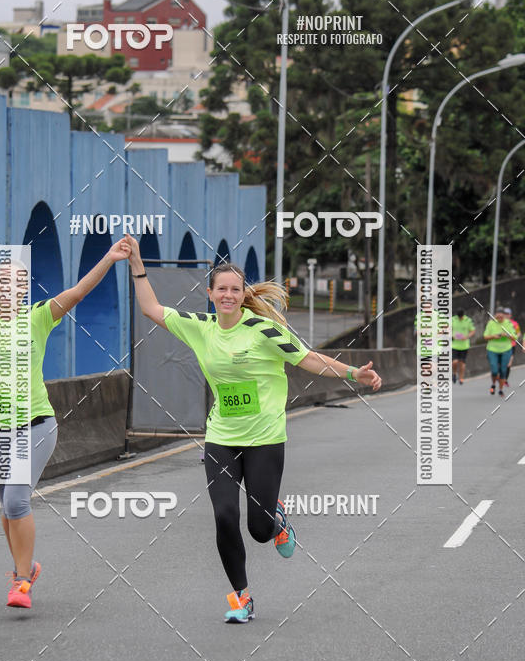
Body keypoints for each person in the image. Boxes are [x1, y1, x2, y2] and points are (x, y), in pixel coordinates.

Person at [122, 234, 382, 623]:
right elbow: (150, 308)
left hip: (265, 439)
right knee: (224, 515)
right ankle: (242, 598)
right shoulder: (200, 327)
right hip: (221, 439)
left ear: (243, 295)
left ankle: (275, 518)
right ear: (210, 294)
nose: (228, 295)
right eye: (221, 289)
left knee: (258, 529)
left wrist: (352, 373)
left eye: (235, 289)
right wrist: (137, 264)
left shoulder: (264, 330)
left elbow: (308, 359)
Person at [0, 239, 128, 609]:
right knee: (7, 507)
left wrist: (110, 258)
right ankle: (27, 566)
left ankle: (21, 582)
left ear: (25, 289)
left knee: (17, 501)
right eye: (3, 281)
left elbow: (79, 291)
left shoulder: (39, 317)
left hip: (33, 425)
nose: (10, 287)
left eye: (18, 281)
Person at [483, 306, 517, 397]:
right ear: (495, 315)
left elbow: (515, 337)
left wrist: (507, 335)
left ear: (504, 316)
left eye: (501, 316)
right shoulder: (491, 323)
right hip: (492, 349)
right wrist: (494, 336)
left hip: (506, 349)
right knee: (494, 370)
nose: (500, 318)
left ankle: (501, 390)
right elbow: (485, 336)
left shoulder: (508, 323)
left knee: (503, 370)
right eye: (498, 316)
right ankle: (493, 384)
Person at [451, 308, 475, 385]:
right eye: (459, 317)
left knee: (462, 363)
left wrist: (467, 337)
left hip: (464, 345)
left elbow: (473, 331)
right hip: (454, 345)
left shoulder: (468, 320)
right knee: (454, 362)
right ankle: (454, 373)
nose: (460, 318)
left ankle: (461, 378)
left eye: (461, 317)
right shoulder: (453, 320)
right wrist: (452, 336)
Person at [503, 307, 520, 386]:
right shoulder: (500, 323)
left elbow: (518, 333)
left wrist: (514, 336)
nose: (506, 315)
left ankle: (505, 379)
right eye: (505, 314)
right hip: (501, 346)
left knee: (508, 364)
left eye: (508, 314)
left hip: (511, 346)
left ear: (510, 315)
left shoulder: (515, 323)